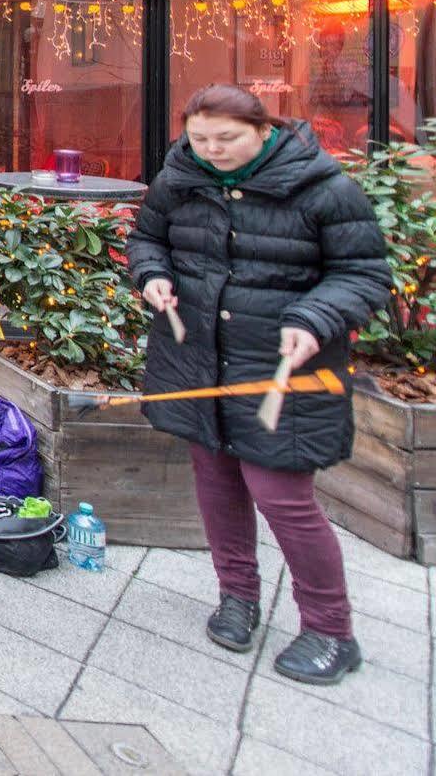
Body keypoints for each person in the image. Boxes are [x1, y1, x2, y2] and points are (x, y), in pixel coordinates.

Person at [127, 84, 389, 686]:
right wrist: (154, 276)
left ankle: (330, 629)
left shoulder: (323, 188)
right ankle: (237, 597)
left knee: (283, 498)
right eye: (200, 140)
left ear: (263, 130)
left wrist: (315, 318)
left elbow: (363, 273)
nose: (213, 151)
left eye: (228, 139)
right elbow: (148, 239)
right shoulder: (179, 178)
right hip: (197, 357)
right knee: (216, 484)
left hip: (283, 367)